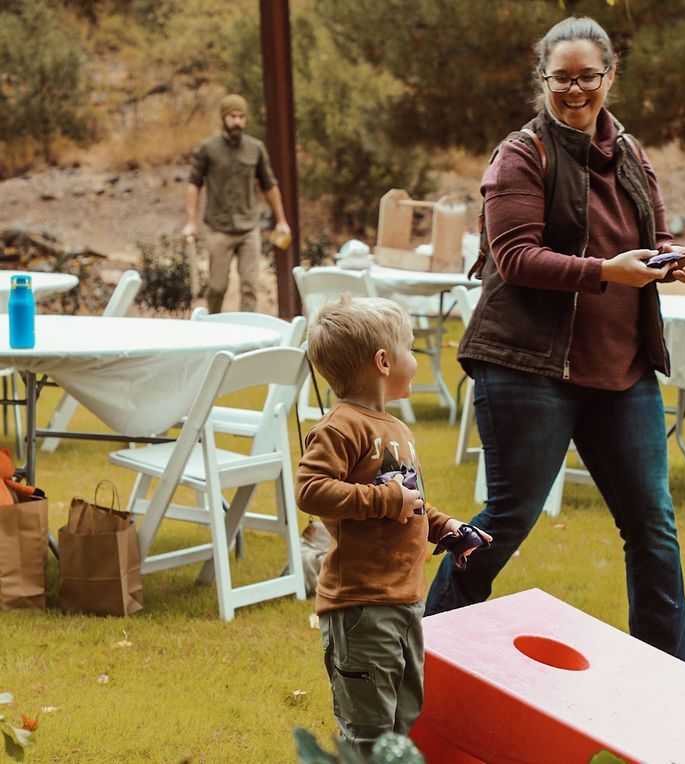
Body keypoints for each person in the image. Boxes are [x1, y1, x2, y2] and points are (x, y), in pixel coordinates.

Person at [425, 16, 685, 665]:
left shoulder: (632, 155)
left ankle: (674, 684)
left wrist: (674, 256)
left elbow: (655, 237)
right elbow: (516, 255)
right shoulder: (521, 154)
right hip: (527, 368)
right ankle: (424, 657)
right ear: (542, 78)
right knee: (507, 521)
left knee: (653, 530)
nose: (574, 91)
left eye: (587, 78)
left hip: (622, 372)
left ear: (609, 76)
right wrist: (607, 271)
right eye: (561, 79)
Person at [295, 294, 490, 754]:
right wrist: (385, 499)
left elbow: (409, 501)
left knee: (402, 717)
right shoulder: (341, 428)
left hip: (403, 599)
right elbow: (310, 489)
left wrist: (444, 527)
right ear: (384, 362)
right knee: (368, 729)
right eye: (411, 349)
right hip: (361, 605)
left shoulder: (395, 430)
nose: (416, 359)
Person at [182, 93, 291, 313]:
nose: (238, 122)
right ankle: (212, 326)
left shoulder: (255, 148)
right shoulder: (207, 149)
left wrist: (281, 220)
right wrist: (191, 222)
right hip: (218, 228)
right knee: (217, 286)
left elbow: (269, 184)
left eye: (242, 117)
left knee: (250, 285)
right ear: (224, 117)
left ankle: (248, 334)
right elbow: (194, 184)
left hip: (248, 227)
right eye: (233, 116)